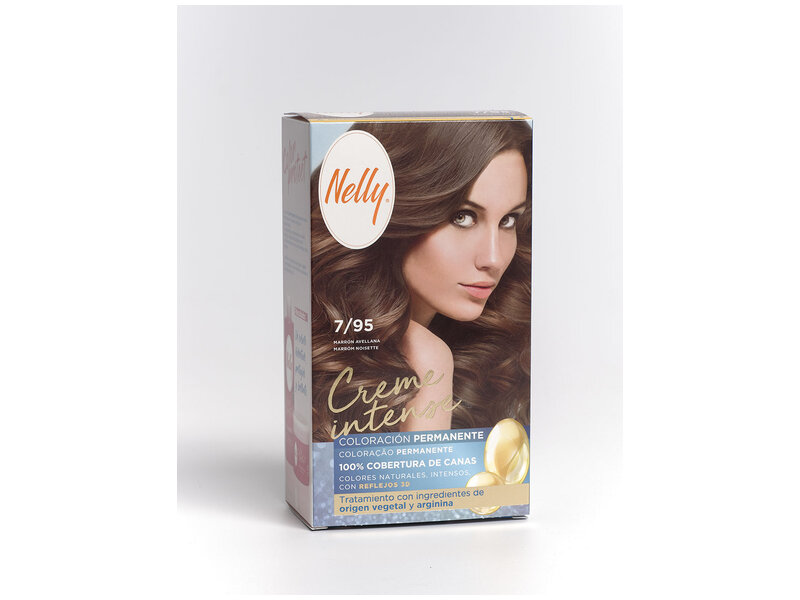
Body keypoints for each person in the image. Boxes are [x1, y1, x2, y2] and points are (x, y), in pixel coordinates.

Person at [310, 120, 532, 442]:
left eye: (508, 220)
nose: (494, 258)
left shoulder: (492, 358)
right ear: (392, 211)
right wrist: (430, 365)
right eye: (463, 217)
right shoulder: (324, 359)